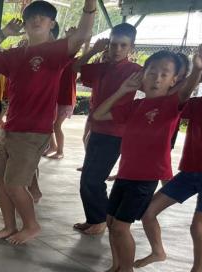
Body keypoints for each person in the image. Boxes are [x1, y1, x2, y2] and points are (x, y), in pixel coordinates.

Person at [0, 0, 98, 245]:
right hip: (11, 128)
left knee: (15, 184)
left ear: (52, 24)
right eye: (31, 16)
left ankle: (31, 225)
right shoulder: (15, 54)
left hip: (33, 131)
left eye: (43, 17)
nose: (36, 20)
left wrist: (90, 4)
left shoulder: (56, 52)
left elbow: (83, 33)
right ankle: (9, 226)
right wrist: (3, 34)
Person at [90, 49, 202, 272]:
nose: (157, 78)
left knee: (121, 227)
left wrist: (198, 69)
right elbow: (98, 115)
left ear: (174, 80)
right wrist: (123, 90)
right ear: (143, 75)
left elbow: (186, 90)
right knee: (111, 224)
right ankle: (116, 266)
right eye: (152, 72)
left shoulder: (172, 104)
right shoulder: (135, 106)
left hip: (144, 178)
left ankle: (127, 271)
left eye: (164, 74)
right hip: (125, 174)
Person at [134, 63, 202, 272]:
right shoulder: (199, 104)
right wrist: (195, 71)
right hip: (190, 172)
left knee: (199, 225)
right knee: (147, 212)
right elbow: (178, 98)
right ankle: (158, 251)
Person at [73, 24, 140, 235]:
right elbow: (74, 67)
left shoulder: (136, 71)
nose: (117, 49)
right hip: (97, 129)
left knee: (93, 178)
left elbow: (158, 89)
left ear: (131, 47)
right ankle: (94, 218)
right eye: (113, 44)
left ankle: (100, 220)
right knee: (88, 178)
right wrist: (92, 50)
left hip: (115, 131)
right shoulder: (102, 67)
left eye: (123, 45)